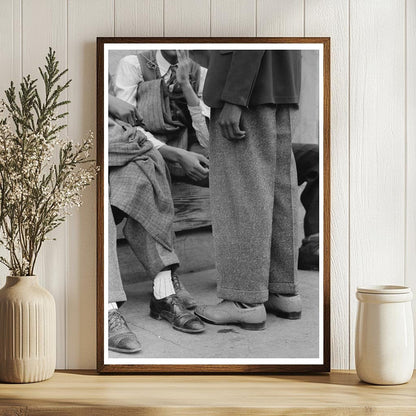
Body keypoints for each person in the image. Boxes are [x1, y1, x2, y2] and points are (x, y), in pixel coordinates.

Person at [195, 50, 302, 330]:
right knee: (278, 188)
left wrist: (235, 97)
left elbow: (249, 35)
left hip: (245, 89)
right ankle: (282, 290)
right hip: (278, 82)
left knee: (242, 193)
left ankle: (245, 301)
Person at [107, 94, 205, 354]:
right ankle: (106, 308)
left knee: (144, 177)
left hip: (118, 146)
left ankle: (163, 292)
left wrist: (174, 154)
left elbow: (131, 124)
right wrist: (105, 99)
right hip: (81, 152)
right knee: (96, 199)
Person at [113, 50, 209, 186]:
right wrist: (176, 155)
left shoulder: (201, 71)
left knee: (217, 168)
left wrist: (185, 84)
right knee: (131, 179)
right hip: (143, 145)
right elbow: (128, 127)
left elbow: (207, 140)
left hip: (187, 143)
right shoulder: (134, 64)